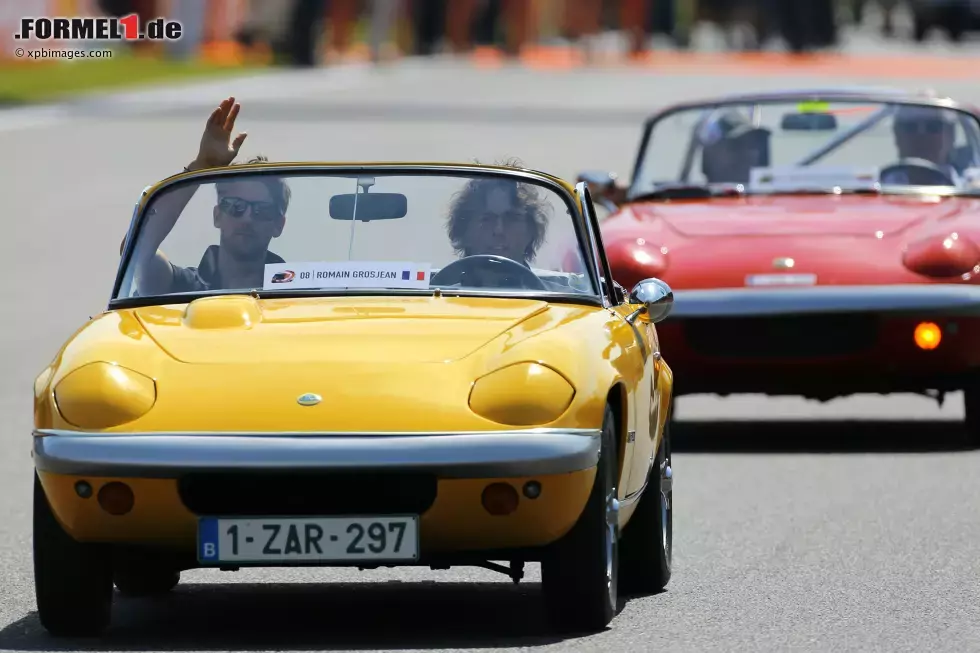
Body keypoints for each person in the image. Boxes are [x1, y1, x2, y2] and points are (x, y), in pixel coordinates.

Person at [128, 97, 291, 296]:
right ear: (217, 215)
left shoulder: (300, 291)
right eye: (235, 206)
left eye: (261, 210)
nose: (247, 218)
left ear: (279, 224)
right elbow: (134, 254)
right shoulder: (181, 285)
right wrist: (201, 166)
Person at [880, 104, 960, 185]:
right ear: (897, 135)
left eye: (932, 127)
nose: (921, 137)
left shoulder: (967, 188)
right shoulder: (877, 188)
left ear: (950, 136)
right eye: (910, 127)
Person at [698, 110, 771, 185]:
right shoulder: (697, 195)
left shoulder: (772, 192)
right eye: (738, 146)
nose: (752, 154)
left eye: (752, 146)